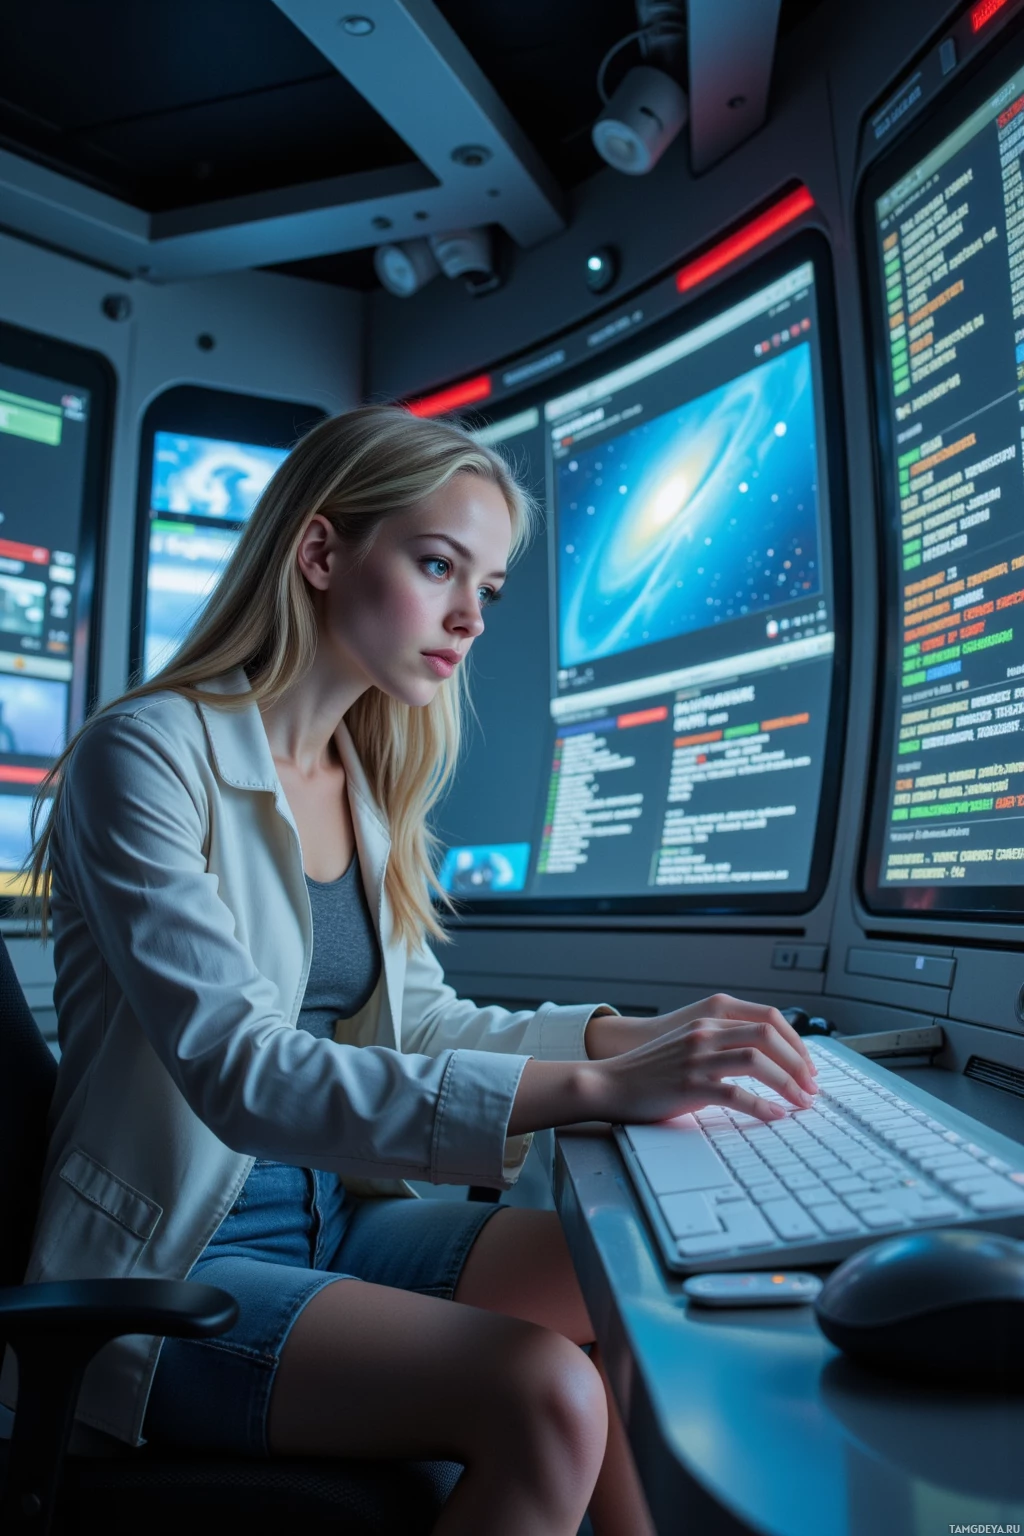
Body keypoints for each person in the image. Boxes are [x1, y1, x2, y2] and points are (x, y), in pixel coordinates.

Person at [11, 405, 818, 1536]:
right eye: (438, 565)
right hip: (170, 1266)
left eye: (484, 587)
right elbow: (241, 1072)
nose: (467, 617)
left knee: (632, 1289)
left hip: (336, 1219)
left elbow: (416, 1025)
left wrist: (624, 1037)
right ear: (322, 552)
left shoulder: (363, 776)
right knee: (543, 1393)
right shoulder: (146, 753)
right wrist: (596, 1092)